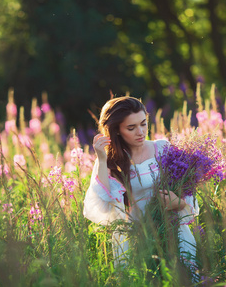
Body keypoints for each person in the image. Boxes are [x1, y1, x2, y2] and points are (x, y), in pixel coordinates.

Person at [83, 96, 199, 267]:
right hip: (136, 238)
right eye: (131, 127)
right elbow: (103, 203)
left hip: (173, 231)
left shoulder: (162, 148)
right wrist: (101, 158)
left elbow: (188, 190)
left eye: (143, 124)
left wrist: (178, 203)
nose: (141, 132)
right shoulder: (110, 162)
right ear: (116, 130)